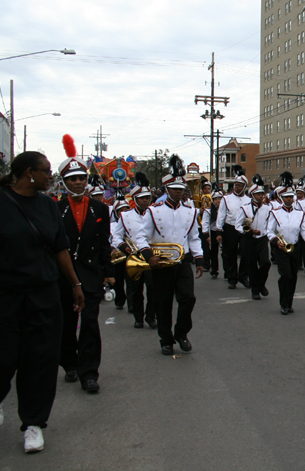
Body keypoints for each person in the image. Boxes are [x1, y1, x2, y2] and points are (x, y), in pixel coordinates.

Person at [0, 150, 85, 453]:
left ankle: (33, 424)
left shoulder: (48, 205)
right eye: (46, 171)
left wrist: (75, 283)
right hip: (4, 295)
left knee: (40, 360)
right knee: (2, 357)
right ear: (28, 173)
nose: (51, 176)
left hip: (43, 294)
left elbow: (60, 248)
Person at [56, 137, 114, 394]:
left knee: (90, 324)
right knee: (66, 324)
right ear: (64, 182)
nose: (78, 182)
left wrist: (109, 274)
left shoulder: (100, 208)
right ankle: (69, 363)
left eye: (81, 178)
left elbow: (104, 244)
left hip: (91, 275)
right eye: (72, 179)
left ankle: (89, 372)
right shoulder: (54, 209)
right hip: (63, 276)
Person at [133, 155, 205, 355]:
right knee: (162, 304)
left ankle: (181, 333)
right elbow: (141, 237)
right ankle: (165, 339)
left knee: (188, 298)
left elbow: (193, 237)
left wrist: (199, 259)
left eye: (181, 189)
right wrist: (149, 256)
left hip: (182, 263)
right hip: (161, 264)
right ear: (166, 189)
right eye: (174, 189)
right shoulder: (153, 211)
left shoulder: (190, 212)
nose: (178, 192)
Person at [267, 172, 305, 314]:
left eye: (291, 197)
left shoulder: (299, 213)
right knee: (285, 276)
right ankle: (283, 303)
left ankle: (289, 303)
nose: (289, 199)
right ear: (282, 198)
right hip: (281, 248)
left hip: (295, 248)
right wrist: (276, 241)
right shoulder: (275, 213)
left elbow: (304, 231)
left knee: (293, 277)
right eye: (286, 197)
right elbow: (269, 231)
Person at [112, 172, 157, 329]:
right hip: (134, 257)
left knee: (153, 289)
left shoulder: (156, 213)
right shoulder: (125, 216)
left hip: (151, 256)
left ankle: (151, 316)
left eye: (148, 198)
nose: (145, 201)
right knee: (135, 290)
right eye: (142, 198)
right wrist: (126, 249)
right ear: (135, 199)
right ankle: (138, 317)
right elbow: (116, 237)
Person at [236, 176, 272, 300]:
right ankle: (255, 290)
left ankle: (261, 284)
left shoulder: (268, 208)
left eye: (262, 194)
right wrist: (249, 231)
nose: (261, 196)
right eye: (258, 194)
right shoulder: (245, 208)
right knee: (251, 266)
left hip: (262, 238)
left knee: (265, 263)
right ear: (252, 195)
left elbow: (270, 224)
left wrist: (268, 233)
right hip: (249, 239)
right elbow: (238, 226)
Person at [215, 165, 251, 289]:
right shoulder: (226, 198)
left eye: (240, 185)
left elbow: (250, 215)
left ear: (244, 187)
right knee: (230, 254)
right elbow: (221, 214)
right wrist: (219, 230)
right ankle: (232, 278)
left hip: (244, 227)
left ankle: (243, 276)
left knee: (246, 253)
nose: (237, 187)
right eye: (236, 185)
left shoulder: (248, 200)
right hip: (230, 228)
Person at [201, 191, 223, 278]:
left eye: (220, 199)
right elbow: (205, 223)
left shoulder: (225, 209)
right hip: (213, 232)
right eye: (216, 199)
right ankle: (214, 271)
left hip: (223, 231)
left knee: (225, 253)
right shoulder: (209, 210)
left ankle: (228, 272)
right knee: (213, 253)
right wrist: (206, 235)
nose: (218, 201)